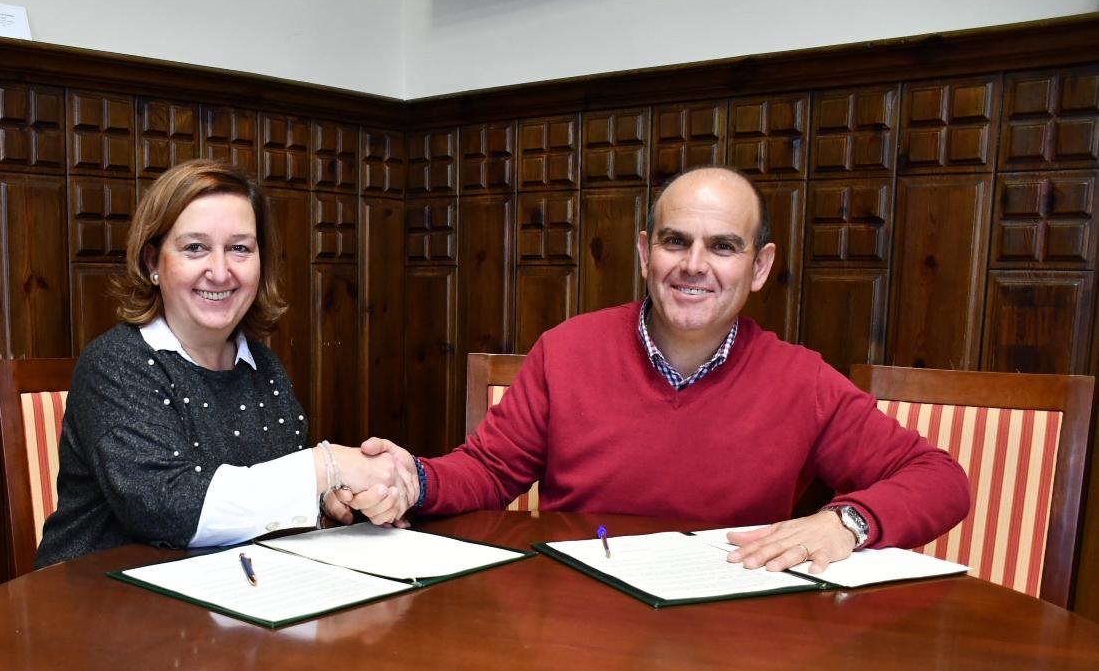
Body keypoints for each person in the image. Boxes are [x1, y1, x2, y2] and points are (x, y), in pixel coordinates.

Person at [347, 165, 970, 574]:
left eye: (723, 246)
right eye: (675, 241)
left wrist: (846, 522)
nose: (694, 265)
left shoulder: (802, 381)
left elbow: (941, 479)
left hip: (733, 631)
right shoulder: (567, 351)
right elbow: (486, 471)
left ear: (759, 267)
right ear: (646, 252)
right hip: (578, 619)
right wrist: (415, 479)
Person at [35, 160, 403, 568]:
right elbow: (168, 507)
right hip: (97, 606)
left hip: (225, 598)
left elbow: (260, 504)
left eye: (239, 248)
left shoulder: (263, 365)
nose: (220, 270)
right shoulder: (115, 365)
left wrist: (328, 503)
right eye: (195, 247)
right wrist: (325, 465)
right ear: (152, 263)